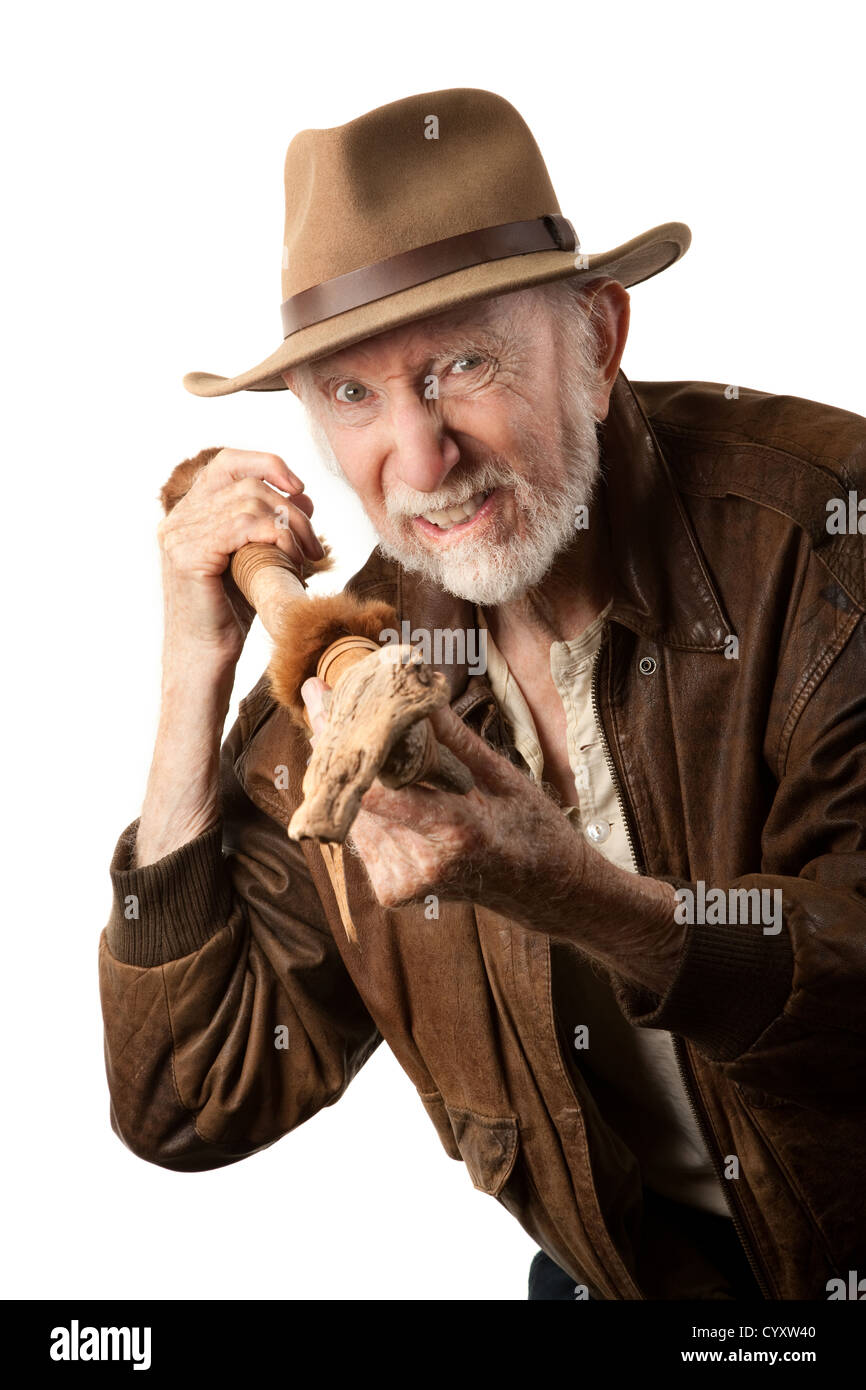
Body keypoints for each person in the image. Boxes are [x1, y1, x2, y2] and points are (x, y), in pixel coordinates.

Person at [99, 87, 866, 1301]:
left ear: (599, 340)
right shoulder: (348, 685)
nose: (417, 458)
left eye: (461, 363)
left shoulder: (828, 536)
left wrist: (586, 899)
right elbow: (191, 1098)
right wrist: (196, 669)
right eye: (352, 395)